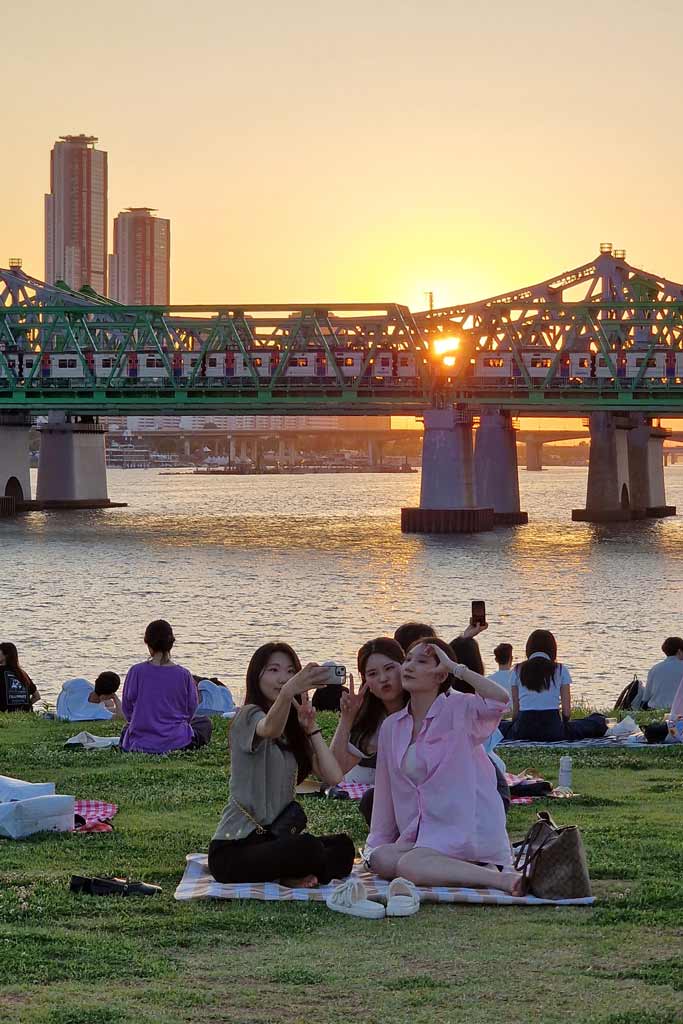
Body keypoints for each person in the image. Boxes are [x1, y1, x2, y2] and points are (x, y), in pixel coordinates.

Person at [366, 638, 523, 894]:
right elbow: (384, 794)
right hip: (426, 836)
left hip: (466, 829)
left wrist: (455, 667)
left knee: (410, 866)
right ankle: (469, 870)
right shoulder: (392, 726)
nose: (409, 666)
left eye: (422, 661)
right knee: (382, 859)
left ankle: (499, 880)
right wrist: (375, 846)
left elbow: (500, 701)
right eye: (407, 660)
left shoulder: (460, 708)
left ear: (440, 675)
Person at [208, 643, 355, 886]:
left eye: (290, 672)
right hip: (233, 849)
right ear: (257, 676)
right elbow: (269, 728)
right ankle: (294, 874)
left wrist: (311, 728)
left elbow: (333, 777)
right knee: (308, 848)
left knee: (343, 846)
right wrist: (288, 693)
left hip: (275, 841)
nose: (282, 679)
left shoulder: (293, 728)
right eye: (273, 670)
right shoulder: (247, 715)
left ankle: (293, 874)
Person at [329, 637, 407, 825]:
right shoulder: (373, 721)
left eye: (389, 668)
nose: (383, 678)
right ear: (366, 681)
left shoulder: (424, 701)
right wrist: (347, 718)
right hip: (403, 799)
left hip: (437, 790)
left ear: (404, 666)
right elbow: (334, 770)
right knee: (371, 801)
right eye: (372, 674)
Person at [121, 619, 212, 754]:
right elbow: (191, 709)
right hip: (176, 740)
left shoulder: (136, 671)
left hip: (141, 740)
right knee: (205, 723)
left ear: (148, 644)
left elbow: (127, 709)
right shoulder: (184, 674)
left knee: (126, 729)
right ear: (171, 644)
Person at [500, 630, 607, 742]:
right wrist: (565, 725)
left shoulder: (517, 670)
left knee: (499, 726)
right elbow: (566, 712)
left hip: (523, 730)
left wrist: (514, 727)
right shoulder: (560, 669)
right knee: (595, 721)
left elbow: (516, 712)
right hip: (553, 730)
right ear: (552, 649)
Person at [56, 672, 122, 721]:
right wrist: (114, 697)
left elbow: (64, 685)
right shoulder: (98, 712)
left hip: (63, 708)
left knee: (109, 704)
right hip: (77, 712)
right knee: (110, 704)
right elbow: (121, 716)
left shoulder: (80, 683)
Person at [641, 637, 683, 709]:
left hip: (655, 708)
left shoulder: (655, 668)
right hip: (678, 710)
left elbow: (646, 697)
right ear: (679, 651)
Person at [0, 643, 40, 712]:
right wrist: (25, 708)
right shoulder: (22, 673)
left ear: (6, 655)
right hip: (25, 714)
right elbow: (37, 696)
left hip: (6, 714)